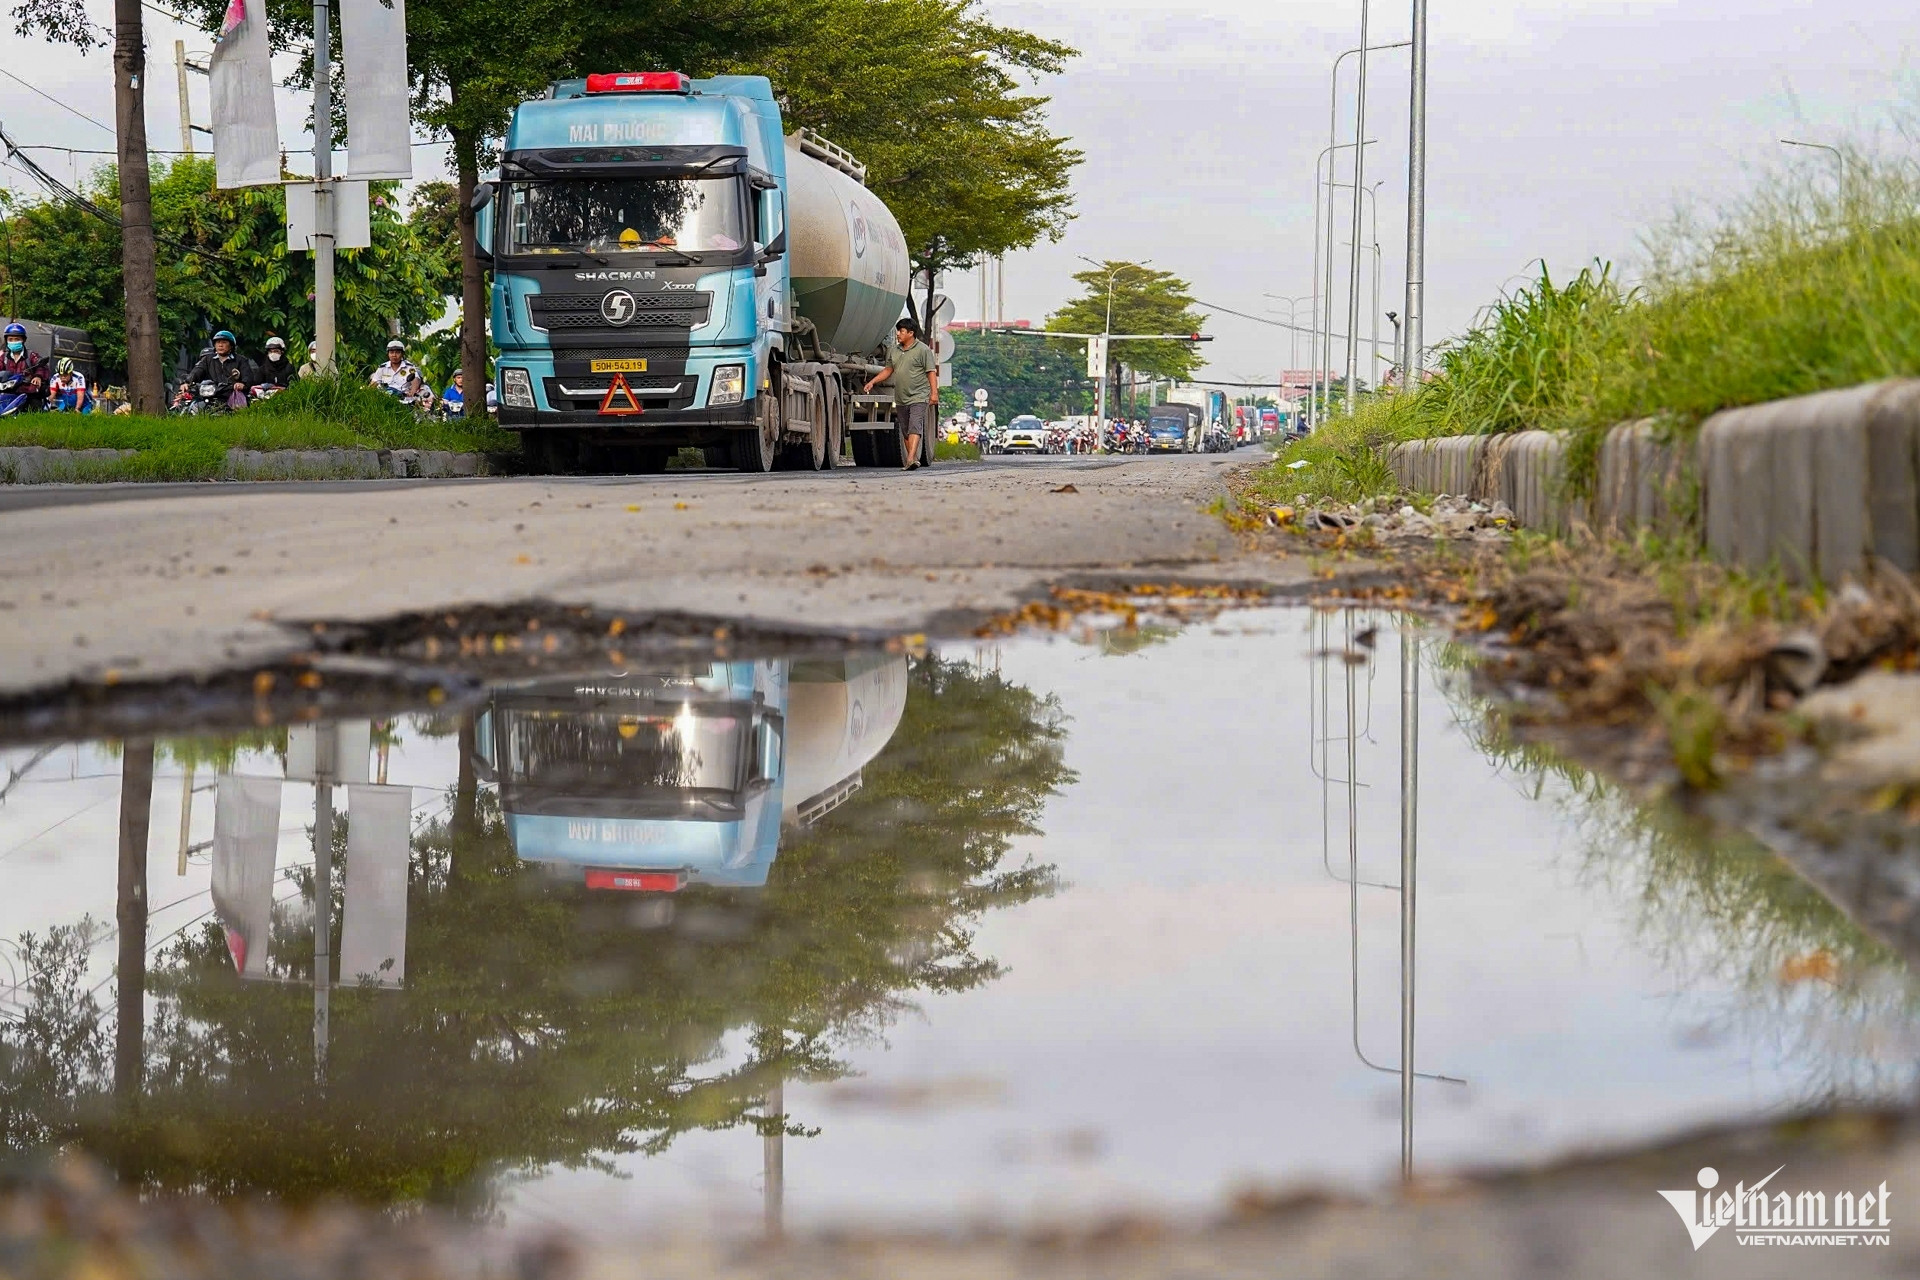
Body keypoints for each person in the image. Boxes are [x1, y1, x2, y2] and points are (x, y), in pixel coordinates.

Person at [862, 319, 939, 469]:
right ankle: (913, 458)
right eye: (898, 331)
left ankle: (910, 459)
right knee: (905, 430)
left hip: (919, 395)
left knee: (914, 426)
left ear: (911, 333)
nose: (897, 334)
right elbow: (888, 370)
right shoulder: (894, 351)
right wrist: (873, 382)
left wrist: (934, 393)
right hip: (901, 396)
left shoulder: (923, 350)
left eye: (901, 331)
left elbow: (931, 372)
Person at [181, 330, 254, 403]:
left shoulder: (241, 360)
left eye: (224, 342)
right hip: (211, 393)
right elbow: (197, 370)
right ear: (214, 345)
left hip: (233, 395)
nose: (220, 345)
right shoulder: (207, 359)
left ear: (231, 345)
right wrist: (187, 382)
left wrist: (242, 384)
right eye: (218, 342)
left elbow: (247, 375)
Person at [0, 322, 49, 412]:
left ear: (23, 340)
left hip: (27, 392)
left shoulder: (31, 355)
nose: (13, 342)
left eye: (17, 339)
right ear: (6, 340)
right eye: (10, 339)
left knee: (34, 407)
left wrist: (38, 376)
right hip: (7, 391)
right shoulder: (4, 357)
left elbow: (42, 366)